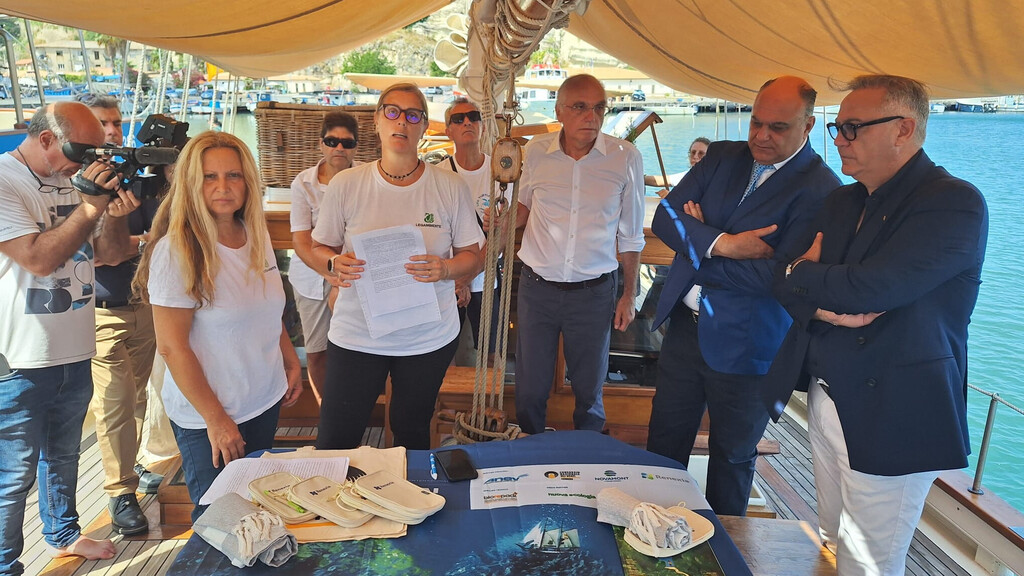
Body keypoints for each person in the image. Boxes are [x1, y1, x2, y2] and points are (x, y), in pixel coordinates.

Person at [767, 75, 987, 575]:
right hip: (825, 395)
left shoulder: (953, 203)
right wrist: (818, 298)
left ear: (903, 129)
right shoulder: (842, 201)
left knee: (868, 565)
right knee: (831, 539)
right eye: (837, 127)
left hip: (895, 412)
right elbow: (780, 276)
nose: (838, 139)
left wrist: (806, 276)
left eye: (852, 127)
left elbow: (873, 289)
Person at [646, 76, 840, 517]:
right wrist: (727, 244)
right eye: (756, 122)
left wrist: (697, 241)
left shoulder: (821, 189)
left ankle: (725, 546)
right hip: (684, 331)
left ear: (808, 125)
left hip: (749, 347)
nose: (761, 135)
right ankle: (650, 534)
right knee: (662, 446)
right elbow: (665, 218)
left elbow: (776, 277)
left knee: (732, 459)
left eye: (778, 127)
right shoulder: (722, 156)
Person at [133, 131, 303, 521]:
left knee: (259, 510)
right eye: (210, 176)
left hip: (263, 400)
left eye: (234, 175)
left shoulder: (255, 233)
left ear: (248, 182)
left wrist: (289, 360)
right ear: (191, 183)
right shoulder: (176, 251)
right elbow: (172, 347)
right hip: (212, 416)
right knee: (220, 522)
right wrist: (217, 420)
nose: (223, 186)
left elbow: (266, 308)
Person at [0, 101, 140, 574]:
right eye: (83, 150)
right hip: (19, 356)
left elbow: (113, 255)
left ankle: (62, 533)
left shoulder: (76, 181)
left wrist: (114, 211)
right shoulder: (4, 180)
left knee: (63, 454)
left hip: (75, 347)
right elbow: (38, 259)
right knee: (12, 474)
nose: (91, 161)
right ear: (46, 139)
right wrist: (90, 207)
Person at [311, 83, 483, 450]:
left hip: (427, 337)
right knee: (336, 438)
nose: (401, 121)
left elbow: (472, 254)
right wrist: (334, 262)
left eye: (412, 115)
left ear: (424, 127)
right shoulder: (346, 184)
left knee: (413, 434)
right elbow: (318, 247)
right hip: (358, 333)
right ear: (376, 121)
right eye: (392, 112)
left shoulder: (449, 186)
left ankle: (408, 489)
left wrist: (446, 269)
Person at [510, 74, 645, 435]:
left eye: (599, 108)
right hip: (537, 290)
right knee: (529, 389)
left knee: (589, 392)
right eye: (580, 107)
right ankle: (530, 453)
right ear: (559, 111)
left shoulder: (625, 157)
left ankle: (589, 457)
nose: (591, 116)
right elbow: (521, 209)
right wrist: (498, 219)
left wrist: (629, 296)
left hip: (594, 294)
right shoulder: (535, 152)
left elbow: (631, 236)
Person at [81, 94, 161, 535]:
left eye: (115, 122)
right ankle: (119, 491)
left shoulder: (132, 177)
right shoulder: (79, 185)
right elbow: (97, 254)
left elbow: (160, 232)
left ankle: (132, 466)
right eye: (102, 124)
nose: (111, 131)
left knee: (138, 395)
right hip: (102, 310)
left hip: (143, 304)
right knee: (114, 402)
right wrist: (139, 241)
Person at [289, 111, 361, 405]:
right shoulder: (303, 183)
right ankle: (326, 411)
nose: (339, 148)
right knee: (317, 351)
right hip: (312, 277)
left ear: (355, 147)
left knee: (357, 349)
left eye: (347, 142)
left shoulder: (366, 178)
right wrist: (330, 271)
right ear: (321, 144)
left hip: (356, 275)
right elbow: (300, 241)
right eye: (332, 141)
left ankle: (354, 408)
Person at [438, 97, 507, 353]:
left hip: (485, 280)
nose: (467, 122)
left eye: (473, 117)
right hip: (448, 281)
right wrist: (459, 279)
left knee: (490, 353)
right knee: (441, 352)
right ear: (448, 131)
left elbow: (503, 233)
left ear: (483, 126)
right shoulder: (438, 175)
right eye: (458, 119)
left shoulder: (501, 173)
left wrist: (468, 276)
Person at [644, 136, 711, 190]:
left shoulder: (713, 180)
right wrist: (640, 178)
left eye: (701, 153)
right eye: (693, 152)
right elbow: (660, 180)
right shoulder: (687, 176)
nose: (695, 156)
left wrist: (670, 196)